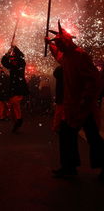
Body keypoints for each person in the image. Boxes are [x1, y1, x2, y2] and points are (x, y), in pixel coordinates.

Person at [45, 20, 104, 180]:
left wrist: (85, 101)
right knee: (66, 135)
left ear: (67, 41)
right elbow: (58, 55)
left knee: (93, 138)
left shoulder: (80, 55)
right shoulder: (67, 56)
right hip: (72, 106)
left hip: (84, 106)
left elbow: (93, 80)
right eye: (57, 42)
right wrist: (49, 45)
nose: (59, 45)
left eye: (59, 42)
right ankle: (69, 167)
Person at [1, 45, 29, 132]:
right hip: (13, 87)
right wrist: (8, 52)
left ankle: (19, 119)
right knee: (13, 106)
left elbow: (21, 56)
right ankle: (16, 122)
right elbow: (4, 61)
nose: (12, 61)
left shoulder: (21, 63)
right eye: (11, 59)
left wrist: (15, 48)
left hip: (19, 87)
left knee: (15, 103)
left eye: (14, 59)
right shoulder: (12, 67)